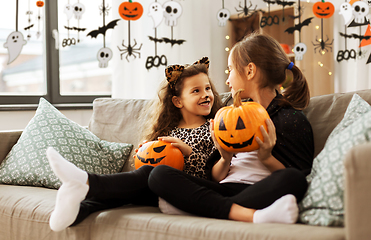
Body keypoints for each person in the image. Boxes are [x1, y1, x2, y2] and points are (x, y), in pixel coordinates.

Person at [148, 32, 314, 223]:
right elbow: (215, 178)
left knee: (294, 179)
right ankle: (248, 215)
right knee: (159, 175)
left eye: (230, 70)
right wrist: (225, 156)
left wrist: (266, 157)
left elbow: (301, 175)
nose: (227, 80)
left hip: (257, 190)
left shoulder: (290, 118)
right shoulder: (230, 113)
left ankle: (197, 206)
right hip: (224, 188)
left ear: (250, 71)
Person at [46, 56, 222, 232]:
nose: (206, 94)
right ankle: (77, 211)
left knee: (147, 174)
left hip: (189, 192)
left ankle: (86, 182)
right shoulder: (167, 131)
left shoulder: (214, 128)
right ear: (177, 101)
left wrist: (187, 152)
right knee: (124, 192)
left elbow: (213, 175)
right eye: (196, 91)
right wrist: (144, 154)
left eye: (208, 88)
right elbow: (149, 167)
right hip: (159, 190)